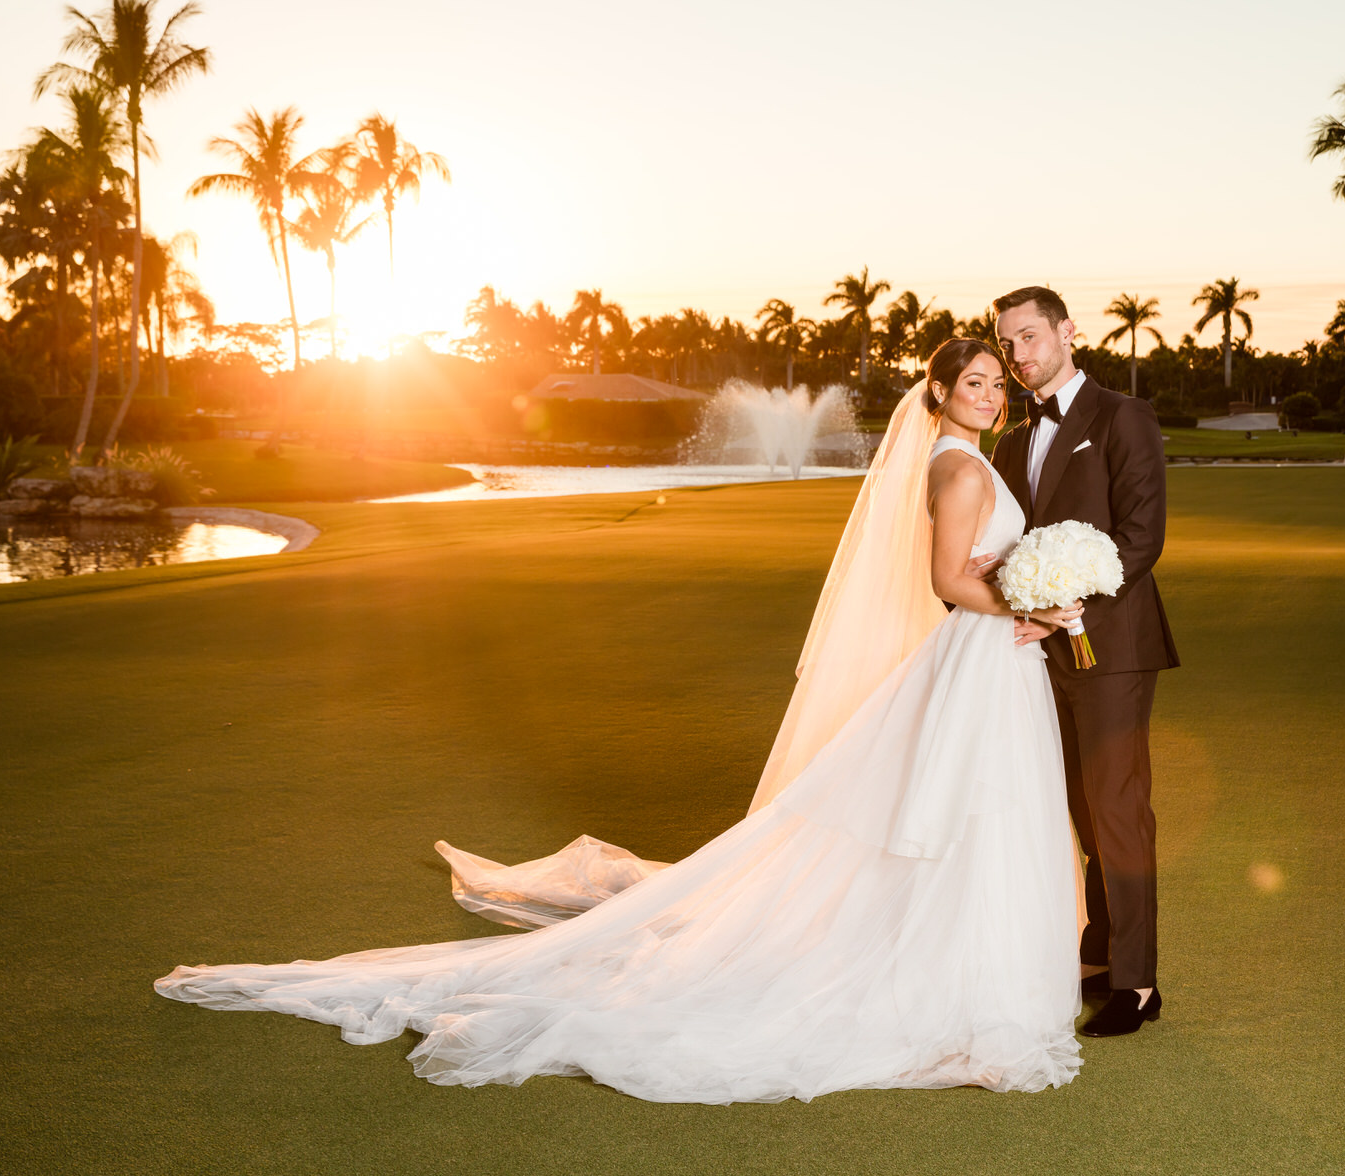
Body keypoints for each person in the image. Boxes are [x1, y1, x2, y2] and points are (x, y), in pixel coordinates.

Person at [157, 338, 1093, 1104]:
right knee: (974, 814)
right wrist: (1033, 606)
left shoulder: (965, 460)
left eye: (994, 383)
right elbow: (948, 581)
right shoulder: (957, 469)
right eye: (971, 383)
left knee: (976, 815)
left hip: (991, 662)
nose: (987, 395)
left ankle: (973, 970)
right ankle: (964, 984)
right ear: (939, 394)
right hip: (983, 656)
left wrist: (1030, 602)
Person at [992, 286, 1179, 1038]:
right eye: (1008, 344)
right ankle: (1099, 954)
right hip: (1039, 654)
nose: (1019, 355)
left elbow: (1142, 534)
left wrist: (1072, 607)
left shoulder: (1122, 416)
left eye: (1030, 336)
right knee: (1079, 806)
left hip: (1112, 647)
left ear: (1068, 332)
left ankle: (1137, 983)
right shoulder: (1011, 441)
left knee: (1118, 808)